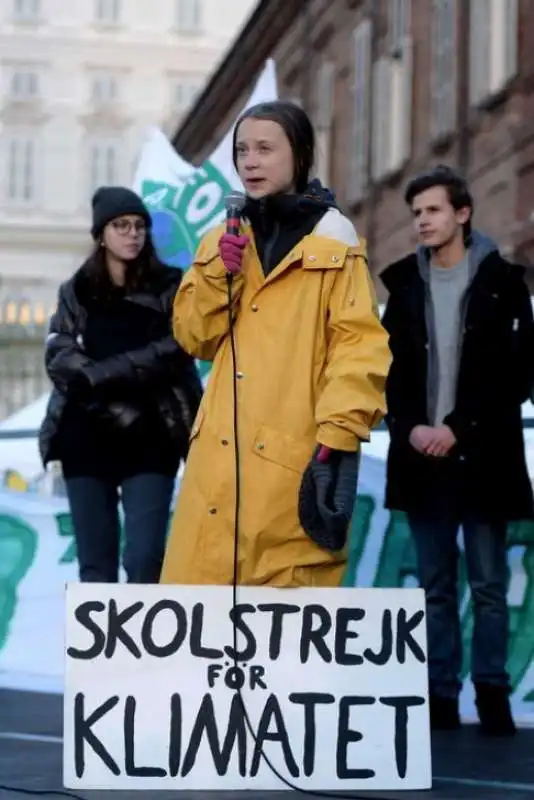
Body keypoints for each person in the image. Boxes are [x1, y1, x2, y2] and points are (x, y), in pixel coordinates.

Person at [160, 100, 391, 588]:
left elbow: (358, 346)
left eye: (265, 148)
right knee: (202, 623)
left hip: (293, 460)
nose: (250, 161)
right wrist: (216, 274)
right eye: (243, 150)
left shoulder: (334, 243)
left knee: (283, 627)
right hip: (214, 467)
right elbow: (194, 336)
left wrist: (338, 433)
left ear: (300, 154)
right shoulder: (223, 237)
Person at [380, 165, 534, 736]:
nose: (422, 221)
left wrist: (459, 428)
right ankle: (439, 694)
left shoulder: (504, 284)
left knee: (489, 586)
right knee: (434, 586)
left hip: (483, 457)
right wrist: (411, 427)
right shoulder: (402, 286)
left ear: (462, 214)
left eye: (433, 210)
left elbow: (514, 375)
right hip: (423, 458)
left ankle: (491, 692)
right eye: (416, 212)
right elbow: (388, 371)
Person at [39, 186, 203, 584]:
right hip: (86, 435)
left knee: (145, 559)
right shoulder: (77, 289)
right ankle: (97, 648)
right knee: (95, 568)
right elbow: (58, 352)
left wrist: (102, 373)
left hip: (151, 435)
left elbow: (178, 347)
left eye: (139, 226)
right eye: (121, 225)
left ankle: (144, 648)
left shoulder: (170, 285)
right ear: (101, 234)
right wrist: (95, 379)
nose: (132, 234)